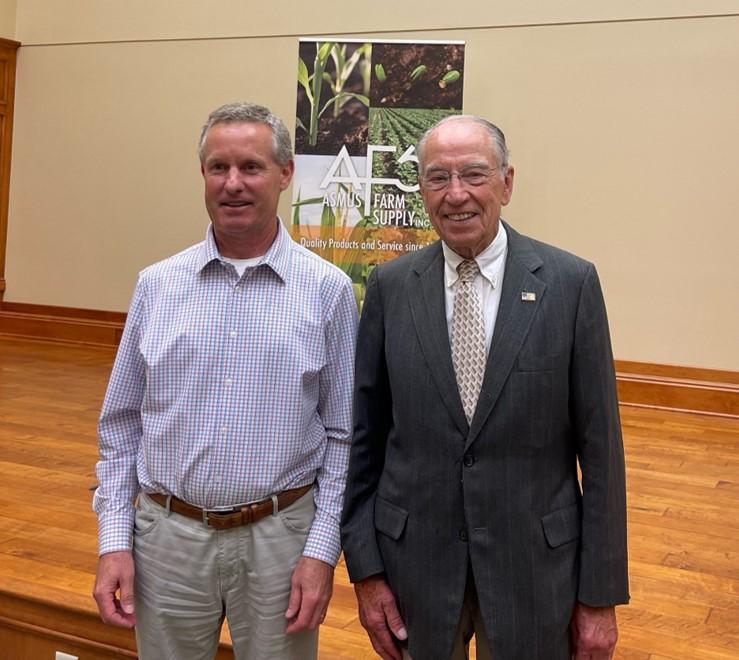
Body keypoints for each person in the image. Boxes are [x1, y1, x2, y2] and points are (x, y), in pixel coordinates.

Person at [341, 114, 629, 660]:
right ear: (420, 188)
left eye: (473, 174)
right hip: (415, 569)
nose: (456, 195)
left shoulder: (570, 285)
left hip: (536, 570)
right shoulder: (390, 287)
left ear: (507, 182)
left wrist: (599, 598)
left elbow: (602, 454)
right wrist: (367, 571)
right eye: (436, 178)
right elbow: (365, 441)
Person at [92, 102, 358, 660]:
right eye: (218, 167)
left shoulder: (327, 292)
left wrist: (320, 551)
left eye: (251, 167)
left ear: (285, 174)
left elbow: (343, 437)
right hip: (167, 540)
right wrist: (115, 540)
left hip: (280, 541)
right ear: (204, 175)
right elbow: (119, 426)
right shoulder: (157, 286)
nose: (232, 184)